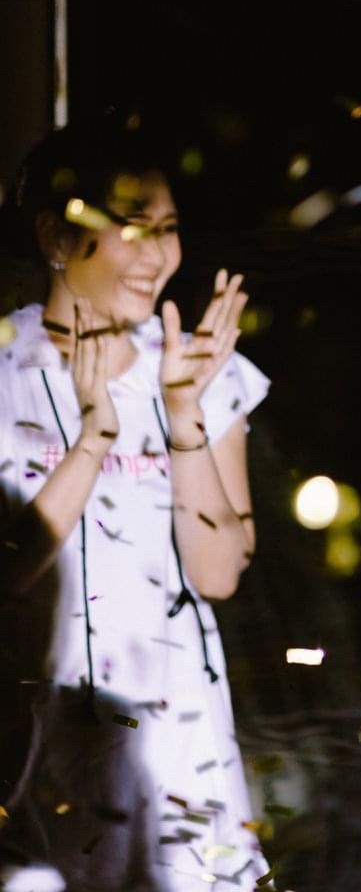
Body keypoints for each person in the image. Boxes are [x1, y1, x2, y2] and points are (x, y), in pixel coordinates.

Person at [0, 118, 269, 890]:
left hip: (171, 729)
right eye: (133, 227)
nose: (157, 255)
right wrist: (93, 439)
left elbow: (218, 574)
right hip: (38, 728)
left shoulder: (200, 367)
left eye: (169, 230)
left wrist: (184, 416)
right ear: (56, 236)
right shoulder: (7, 369)